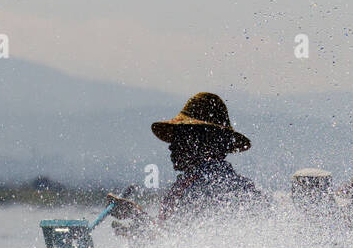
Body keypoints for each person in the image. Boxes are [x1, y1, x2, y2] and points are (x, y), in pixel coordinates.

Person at [108, 92, 261, 237]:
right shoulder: (238, 186)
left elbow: (176, 243)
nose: (171, 145)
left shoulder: (207, 185)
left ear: (203, 141)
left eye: (180, 137)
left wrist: (137, 216)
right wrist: (140, 225)